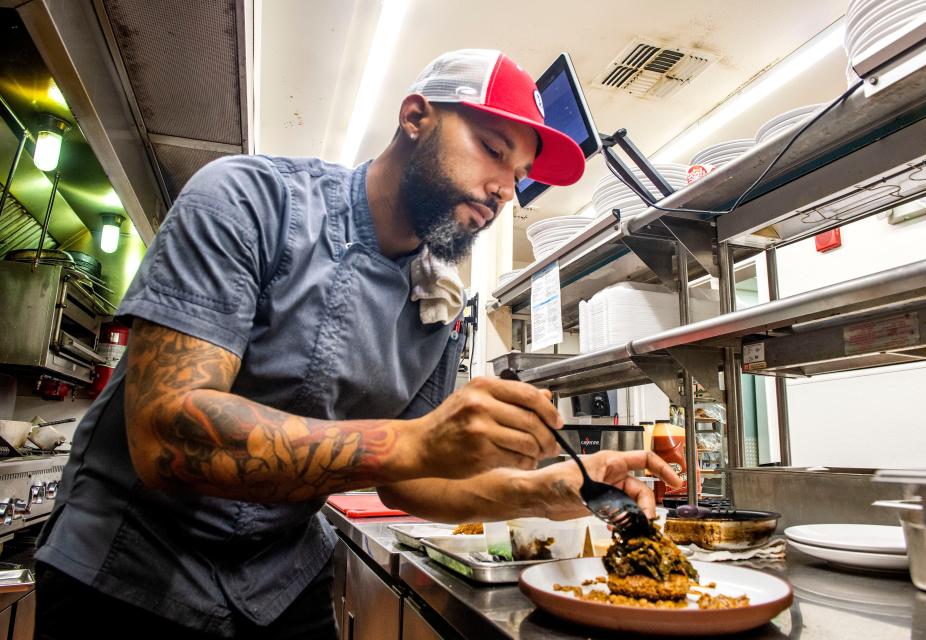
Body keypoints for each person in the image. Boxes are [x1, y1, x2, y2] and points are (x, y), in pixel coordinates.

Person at [34, 49, 679, 639]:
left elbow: (411, 484)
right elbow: (166, 433)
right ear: (415, 117)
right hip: (131, 574)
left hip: (279, 585)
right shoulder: (245, 201)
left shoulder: (434, 307)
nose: (504, 191)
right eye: (491, 148)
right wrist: (418, 440)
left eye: (518, 173)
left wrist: (551, 486)